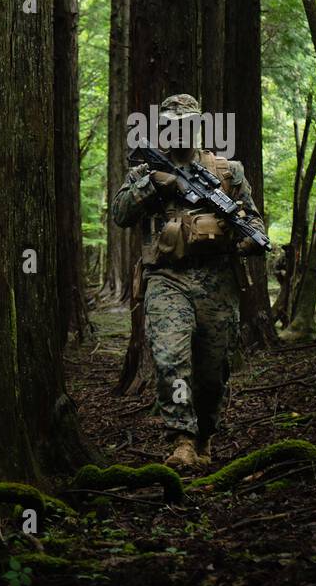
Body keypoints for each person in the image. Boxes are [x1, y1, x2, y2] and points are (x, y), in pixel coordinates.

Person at [111, 94, 267, 471]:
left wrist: (243, 238)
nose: (180, 130)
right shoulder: (147, 170)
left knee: (213, 371)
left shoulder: (228, 172)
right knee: (170, 356)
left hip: (218, 283)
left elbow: (255, 223)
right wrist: (155, 186)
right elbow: (119, 213)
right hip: (167, 279)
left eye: (187, 123)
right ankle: (181, 438)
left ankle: (205, 436)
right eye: (172, 123)